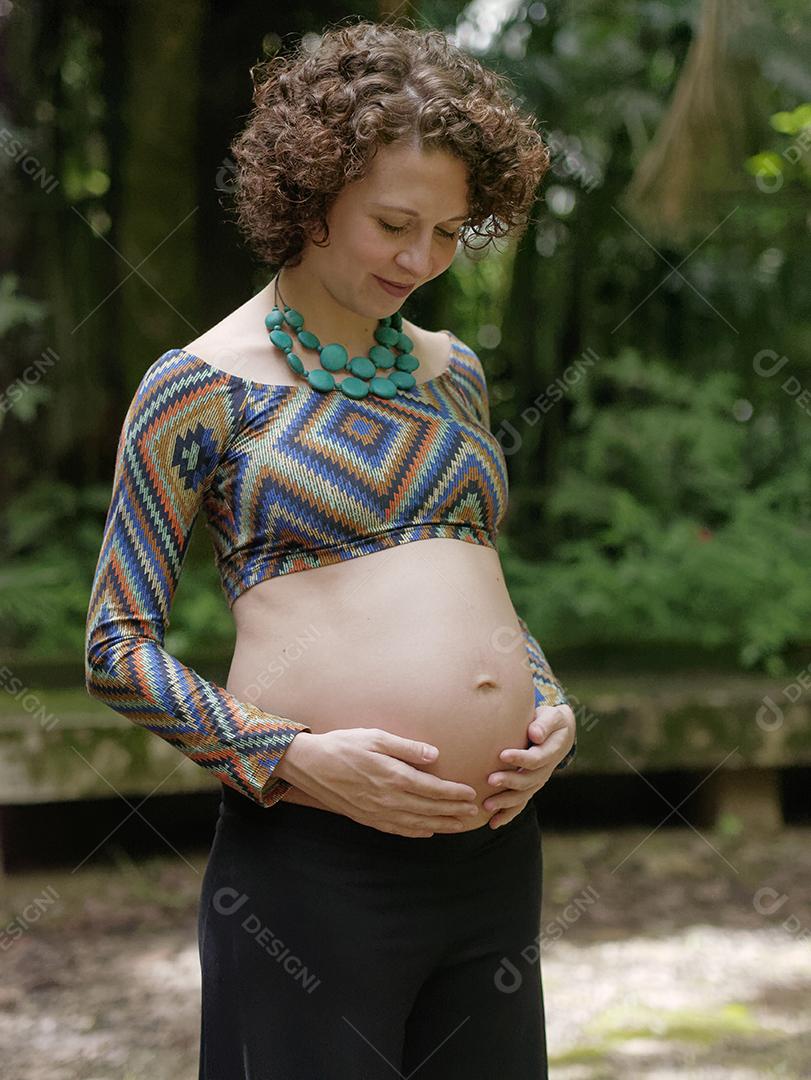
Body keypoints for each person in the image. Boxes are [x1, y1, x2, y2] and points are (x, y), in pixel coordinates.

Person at [84, 18, 577, 1079]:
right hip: (312, 868)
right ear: (309, 197)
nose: (421, 259)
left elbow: (474, 586)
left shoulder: (455, 376)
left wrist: (542, 697)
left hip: (492, 856)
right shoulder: (202, 386)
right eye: (394, 223)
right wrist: (288, 758)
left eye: (450, 232)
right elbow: (115, 646)